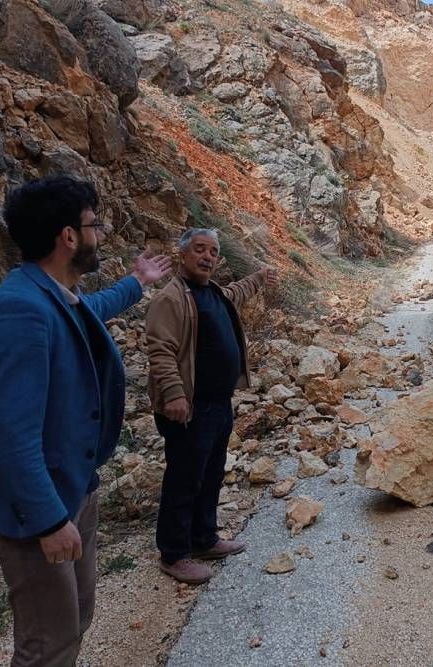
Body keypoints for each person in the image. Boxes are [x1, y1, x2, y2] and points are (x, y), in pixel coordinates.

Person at [0, 175, 172, 666]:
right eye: (94, 225)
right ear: (68, 236)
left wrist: (137, 282)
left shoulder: (54, 294)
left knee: (75, 618)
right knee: (48, 644)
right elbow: (11, 435)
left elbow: (93, 308)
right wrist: (49, 520)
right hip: (38, 510)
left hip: (73, 490)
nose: (100, 235)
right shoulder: (18, 310)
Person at [146, 228, 277, 584]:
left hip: (218, 403)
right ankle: (173, 554)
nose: (207, 257)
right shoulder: (171, 298)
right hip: (189, 407)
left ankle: (203, 538)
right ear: (183, 254)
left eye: (213, 252)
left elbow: (237, 293)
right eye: (199, 249)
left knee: (211, 473)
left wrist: (258, 278)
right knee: (184, 479)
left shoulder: (213, 292)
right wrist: (174, 394)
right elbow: (160, 350)